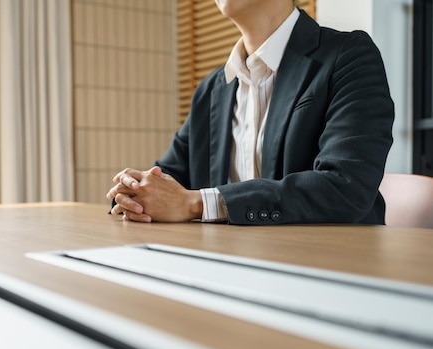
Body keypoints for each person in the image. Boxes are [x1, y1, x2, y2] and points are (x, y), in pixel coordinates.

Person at [106, 0, 394, 225]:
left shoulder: (349, 56)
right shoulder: (211, 89)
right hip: (232, 266)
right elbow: (169, 177)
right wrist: (135, 192)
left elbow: (346, 187)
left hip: (334, 266)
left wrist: (198, 203)